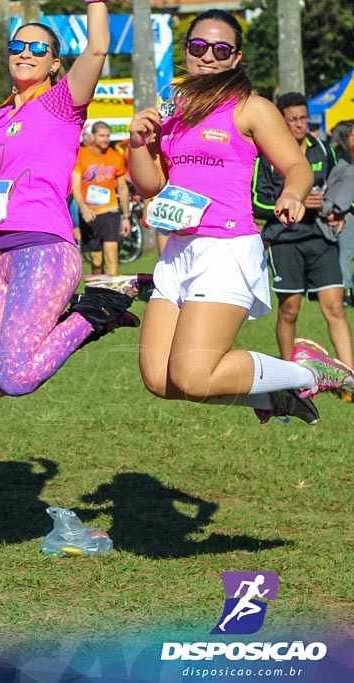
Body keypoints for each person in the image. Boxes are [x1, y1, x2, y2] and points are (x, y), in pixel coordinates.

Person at [128, 9, 354, 425]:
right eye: (199, 47)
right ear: (187, 52)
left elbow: (298, 167)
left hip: (225, 248)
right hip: (177, 248)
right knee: (160, 379)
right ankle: (272, 398)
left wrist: (292, 194)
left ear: (236, 57)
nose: (208, 56)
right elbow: (150, 186)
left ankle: (313, 371)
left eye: (220, 49)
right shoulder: (172, 109)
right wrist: (138, 143)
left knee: (193, 376)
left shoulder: (251, 107)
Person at [0, 0, 141, 399]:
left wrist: (95, 3)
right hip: (1, 256)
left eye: (37, 49)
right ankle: (92, 315)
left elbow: (98, 47)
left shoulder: (61, 102)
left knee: (15, 378)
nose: (25, 54)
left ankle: (100, 307)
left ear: (53, 64)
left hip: (43, 249)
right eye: (17, 48)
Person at [253, 92, 353, 372]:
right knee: (290, 310)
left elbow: (342, 182)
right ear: (281, 122)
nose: (299, 125)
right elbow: (255, 202)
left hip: (321, 238)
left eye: (303, 118)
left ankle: (349, 378)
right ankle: (289, 377)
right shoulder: (267, 156)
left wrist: (340, 212)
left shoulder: (322, 149)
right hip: (285, 240)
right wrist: (292, 200)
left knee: (335, 307)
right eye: (292, 120)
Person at [72, 120, 131, 276]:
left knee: (111, 255)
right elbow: (75, 187)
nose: (106, 139)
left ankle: (112, 297)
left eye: (108, 136)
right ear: (93, 136)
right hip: (89, 213)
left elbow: (123, 188)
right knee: (96, 261)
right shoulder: (81, 155)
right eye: (101, 136)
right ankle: (98, 294)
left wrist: (126, 217)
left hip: (110, 211)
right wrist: (83, 208)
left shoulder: (115, 157)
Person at [327, 119, 354, 307]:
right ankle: (346, 295)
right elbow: (335, 189)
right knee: (345, 255)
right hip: (345, 214)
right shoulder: (339, 159)